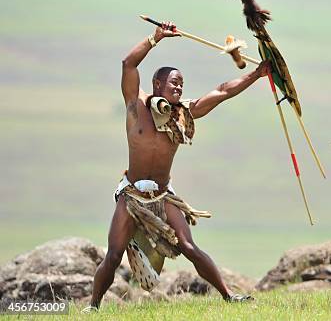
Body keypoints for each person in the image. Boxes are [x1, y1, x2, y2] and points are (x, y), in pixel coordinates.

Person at [86, 21, 271, 310]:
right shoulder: (136, 106)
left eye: (182, 83)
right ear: (157, 84)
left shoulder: (183, 114)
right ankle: (93, 305)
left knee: (188, 246)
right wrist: (155, 37)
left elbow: (222, 91)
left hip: (163, 195)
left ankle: (228, 295)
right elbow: (128, 64)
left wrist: (257, 74)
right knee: (113, 255)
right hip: (132, 195)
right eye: (174, 82)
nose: (179, 86)